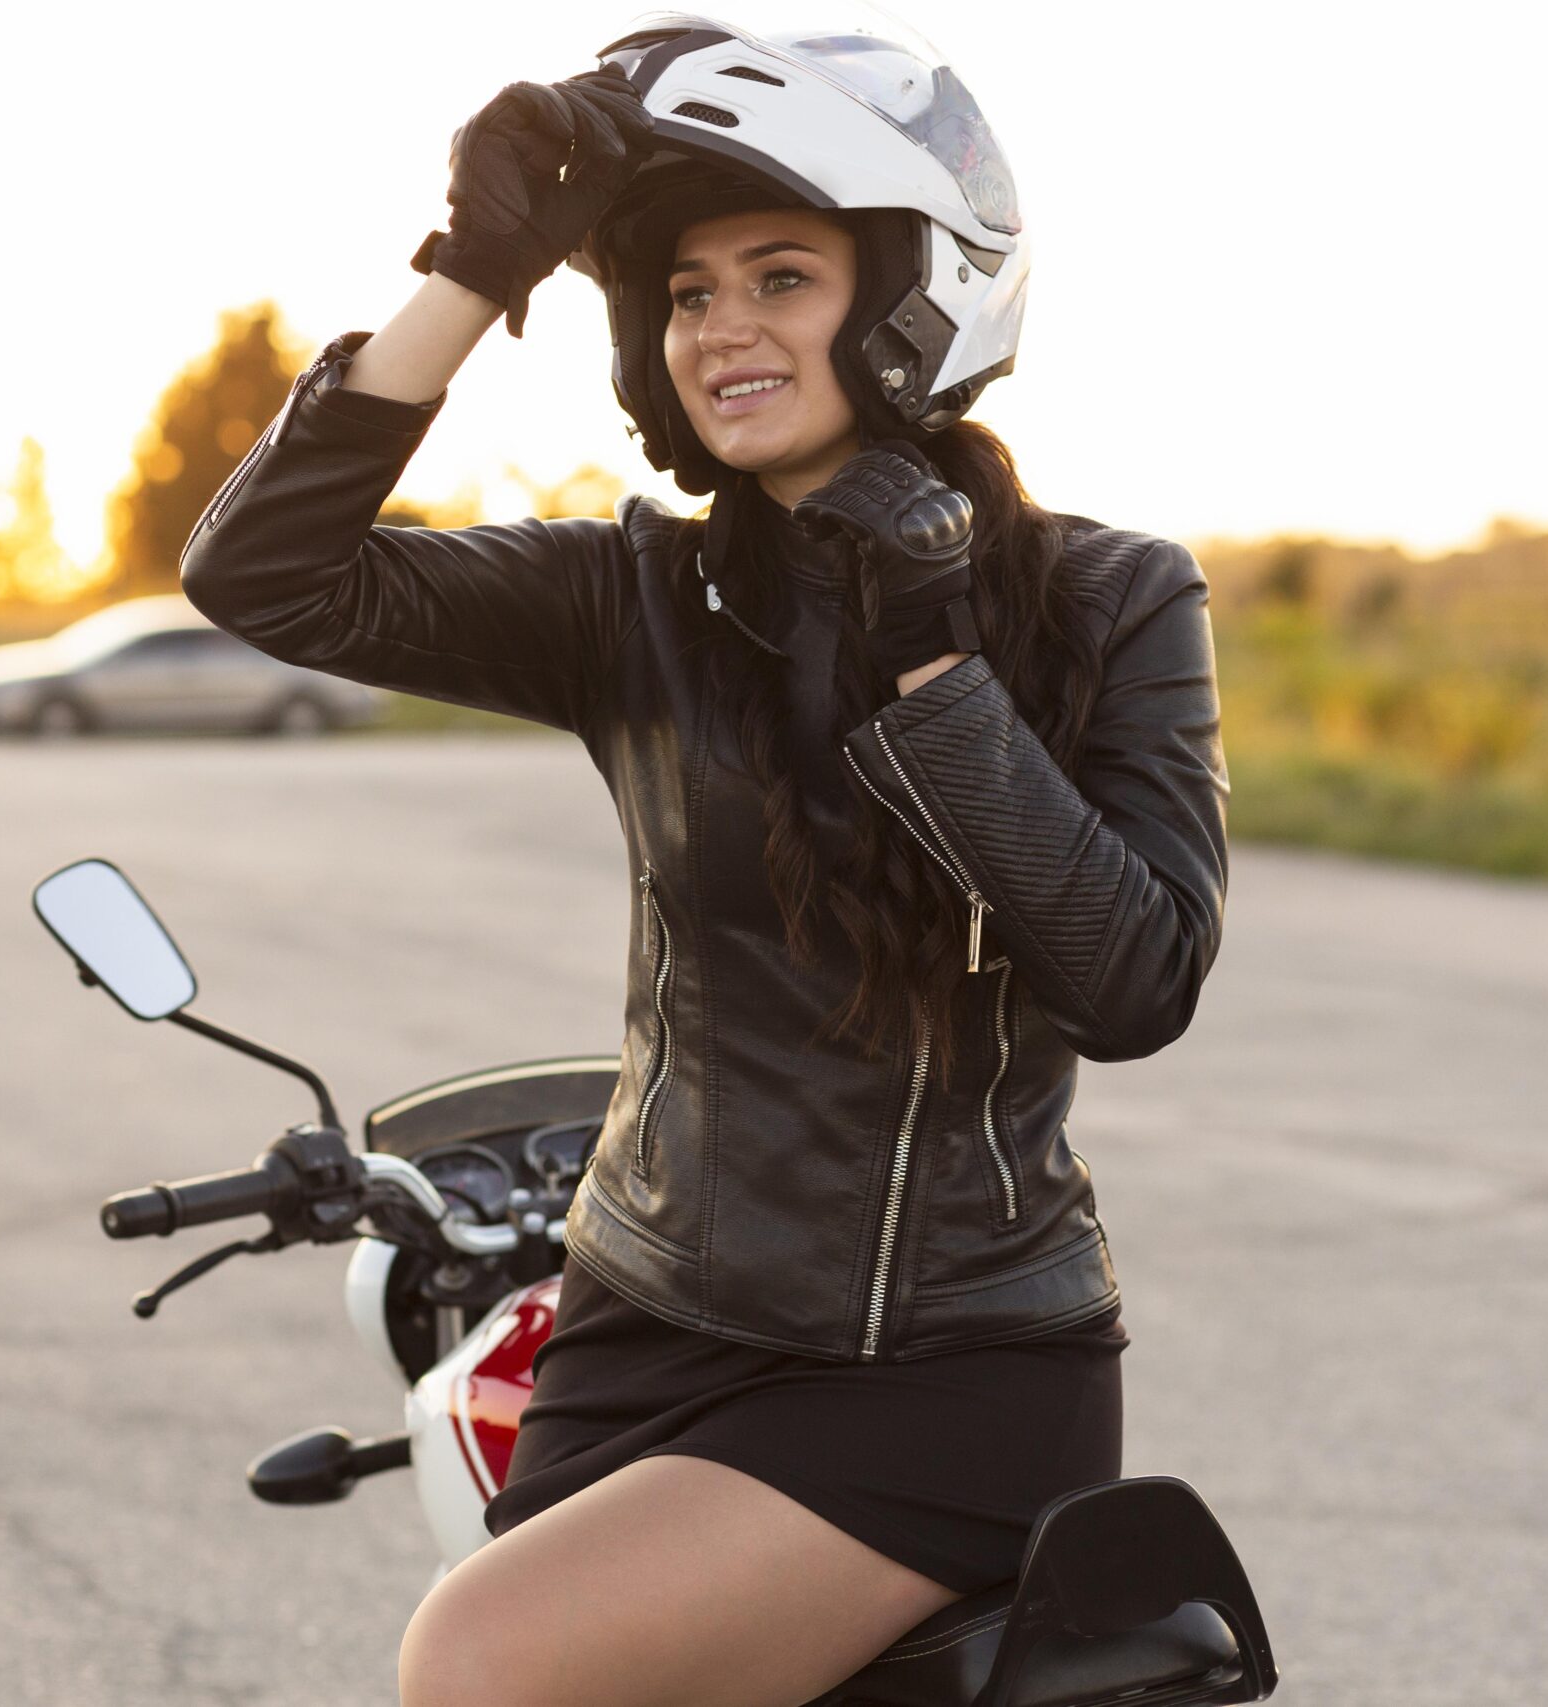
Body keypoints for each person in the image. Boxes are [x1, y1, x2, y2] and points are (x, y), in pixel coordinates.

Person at [178, 10, 1230, 1705]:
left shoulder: (1115, 599)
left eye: (782, 277)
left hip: (936, 1373)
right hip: (633, 1318)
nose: (724, 330)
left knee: (481, 1664)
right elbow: (270, 579)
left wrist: (932, 663)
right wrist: (472, 265)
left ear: (910, 297)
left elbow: (1136, 982)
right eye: (686, 292)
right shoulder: (637, 601)